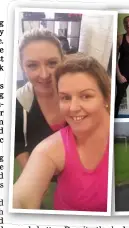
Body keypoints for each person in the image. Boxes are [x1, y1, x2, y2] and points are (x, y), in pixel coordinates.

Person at [13, 54, 110, 212]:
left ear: (105, 98)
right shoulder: (51, 149)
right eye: (65, 98)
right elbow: (21, 199)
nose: (73, 108)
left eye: (86, 96)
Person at [15, 28, 66, 173]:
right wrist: (30, 173)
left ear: (63, 61)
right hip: (43, 176)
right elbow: (17, 142)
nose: (44, 75)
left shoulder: (81, 93)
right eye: (32, 65)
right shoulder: (18, 102)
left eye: (52, 63)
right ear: (23, 67)